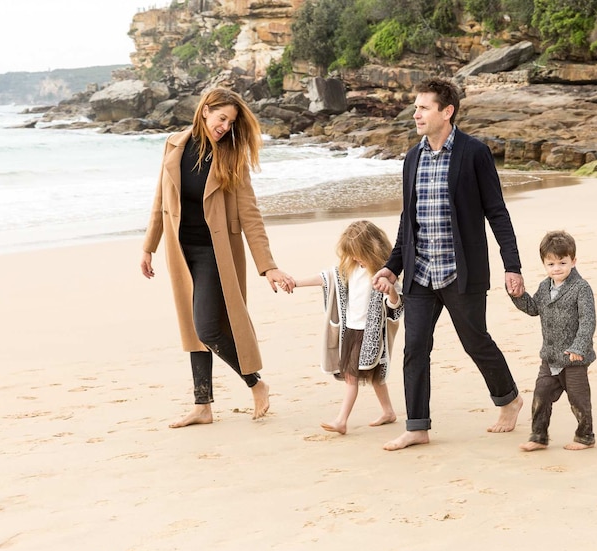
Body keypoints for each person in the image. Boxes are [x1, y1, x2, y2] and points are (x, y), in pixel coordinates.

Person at [372, 77, 526, 451]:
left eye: (424, 107)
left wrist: (512, 265)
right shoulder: (413, 157)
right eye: (416, 107)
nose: (416, 113)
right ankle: (417, 425)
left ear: (447, 111)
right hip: (420, 272)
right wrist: (393, 266)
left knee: (475, 341)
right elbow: (408, 221)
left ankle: (509, 399)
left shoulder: (473, 153)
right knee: (415, 348)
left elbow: (496, 212)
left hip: (461, 271)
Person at [140, 87, 295, 428]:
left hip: (214, 251)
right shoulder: (175, 145)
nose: (225, 127)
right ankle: (202, 405)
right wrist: (149, 245)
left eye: (231, 122)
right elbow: (160, 199)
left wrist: (267, 265)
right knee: (192, 326)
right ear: (205, 110)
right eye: (221, 118)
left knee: (207, 327)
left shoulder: (231, 157)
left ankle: (256, 383)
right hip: (181, 252)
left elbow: (250, 214)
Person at [293, 220, 403, 435]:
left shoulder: (384, 273)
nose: (353, 258)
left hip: (371, 332)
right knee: (374, 377)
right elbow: (326, 278)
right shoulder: (349, 269)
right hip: (350, 330)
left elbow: (395, 307)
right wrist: (295, 283)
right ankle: (388, 411)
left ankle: (341, 420)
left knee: (352, 377)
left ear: (371, 250)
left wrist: (390, 290)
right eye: (350, 254)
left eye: (357, 253)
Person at [509, 230, 596, 451]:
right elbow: (533, 308)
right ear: (544, 264)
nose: (556, 268)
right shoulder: (544, 287)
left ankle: (585, 436)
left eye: (562, 262)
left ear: (573, 261)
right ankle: (538, 436)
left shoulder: (581, 288)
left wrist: (578, 347)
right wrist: (518, 296)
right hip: (550, 357)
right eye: (551, 264)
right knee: (541, 394)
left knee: (579, 399)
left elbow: (588, 321)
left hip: (574, 358)